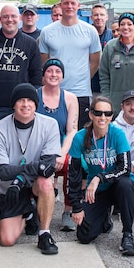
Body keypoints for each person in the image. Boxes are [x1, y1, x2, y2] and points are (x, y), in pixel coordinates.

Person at [0, 83, 61, 254]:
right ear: (13, 104)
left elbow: (48, 168)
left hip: (32, 185)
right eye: (21, 100)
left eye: (30, 100)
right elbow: (3, 172)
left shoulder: (50, 125)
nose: (26, 104)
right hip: (10, 189)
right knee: (7, 240)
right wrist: (34, 167)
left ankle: (44, 234)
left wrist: (20, 179)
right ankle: (29, 213)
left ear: (36, 104)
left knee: (46, 183)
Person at [67, 95, 134, 257]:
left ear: (112, 116)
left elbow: (125, 168)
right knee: (84, 236)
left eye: (107, 114)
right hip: (97, 191)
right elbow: (74, 175)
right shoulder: (80, 137)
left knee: (126, 184)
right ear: (91, 114)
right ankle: (104, 218)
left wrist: (100, 177)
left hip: (118, 185)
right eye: (98, 113)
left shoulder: (117, 134)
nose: (102, 118)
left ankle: (127, 235)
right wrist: (77, 207)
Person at [39, 0, 102, 124]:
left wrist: (82, 77)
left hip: (81, 93)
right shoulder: (47, 32)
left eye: (73, 3)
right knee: (53, 133)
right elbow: (44, 62)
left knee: (79, 136)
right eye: (66, 3)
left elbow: (96, 61)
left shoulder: (90, 31)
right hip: (55, 92)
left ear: (78, 6)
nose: (69, 6)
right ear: (60, 5)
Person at [0, 4, 43, 121]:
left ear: (19, 18)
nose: (10, 20)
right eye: (6, 17)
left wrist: (31, 100)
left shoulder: (30, 44)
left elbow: (36, 75)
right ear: (0, 19)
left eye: (13, 16)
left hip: (21, 105)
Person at [38, 58, 81, 232]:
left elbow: (72, 130)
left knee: (73, 162)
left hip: (61, 147)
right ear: (43, 75)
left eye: (57, 71)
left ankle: (68, 209)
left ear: (62, 76)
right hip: (39, 147)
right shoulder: (34, 95)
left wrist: (62, 153)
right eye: (49, 71)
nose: (53, 74)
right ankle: (34, 207)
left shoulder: (70, 98)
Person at [89, 3, 112, 94]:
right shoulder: (85, 35)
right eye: (96, 15)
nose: (99, 17)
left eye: (102, 15)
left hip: (108, 85)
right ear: (91, 17)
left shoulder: (113, 36)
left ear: (107, 17)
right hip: (90, 85)